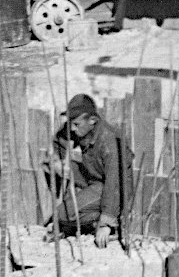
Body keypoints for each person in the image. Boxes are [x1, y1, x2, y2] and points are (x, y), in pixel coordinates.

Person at [44, 93, 134, 247]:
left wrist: (106, 223)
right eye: (71, 123)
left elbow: (114, 184)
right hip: (94, 177)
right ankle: (87, 221)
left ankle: (112, 224)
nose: (71, 128)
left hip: (112, 187)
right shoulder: (81, 128)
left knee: (61, 214)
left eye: (76, 124)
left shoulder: (109, 141)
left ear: (92, 120)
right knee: (61, 211)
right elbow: (59, 140)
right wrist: (57, 162)